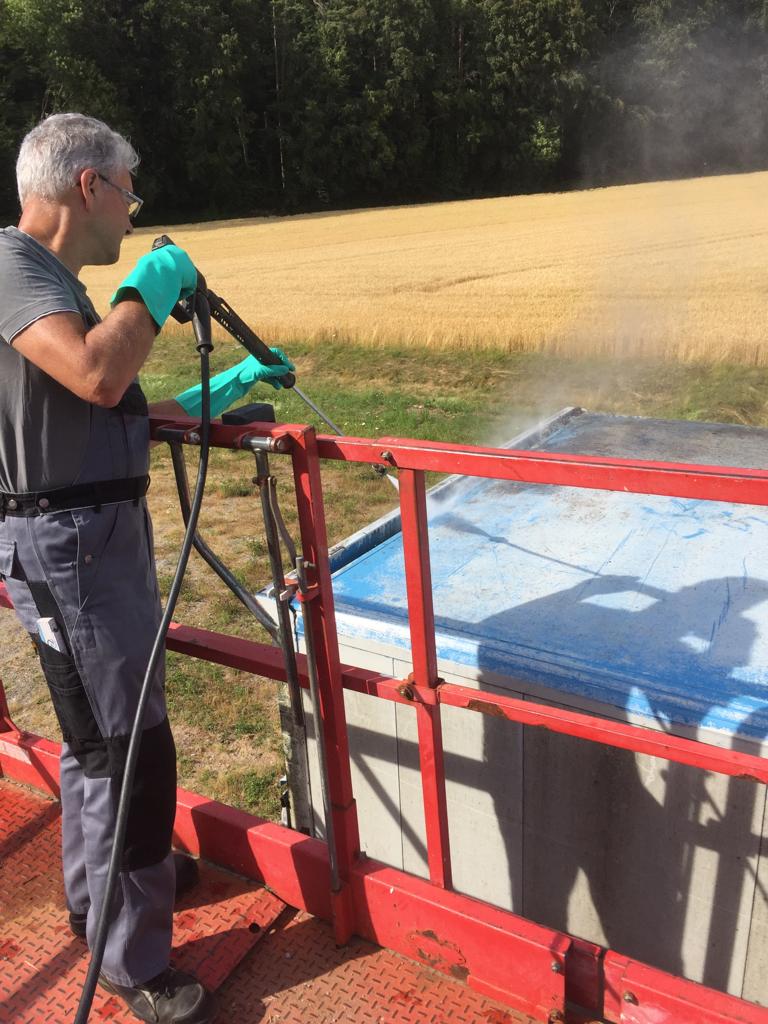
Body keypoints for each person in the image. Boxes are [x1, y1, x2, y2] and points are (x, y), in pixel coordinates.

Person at [0, 113, 292, 1024]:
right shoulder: (10, 266)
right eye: (128, 190)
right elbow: (96, 374)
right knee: (133, 753)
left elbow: (112, 401)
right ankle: (132, 961)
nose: (133, 210)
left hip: (86, 542)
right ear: (88, 185)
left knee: (97, 739)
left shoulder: (55, 286)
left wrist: (226, 389)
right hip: (72, 546)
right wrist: (152, 286)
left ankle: (98, 901)